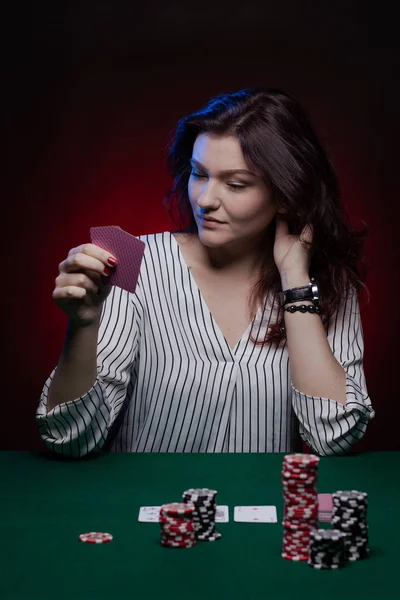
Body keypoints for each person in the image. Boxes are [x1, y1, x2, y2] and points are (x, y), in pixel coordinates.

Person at [36, 87, 375, 458]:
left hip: (265, 510)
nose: (205, 199)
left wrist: (294, 279)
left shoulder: (324, 280)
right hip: (145, 507)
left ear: (284, 194)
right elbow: (70, 438)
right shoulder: (131, 258)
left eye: (235, 184)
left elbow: (335, 436)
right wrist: (83, 326)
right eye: (199, 174)